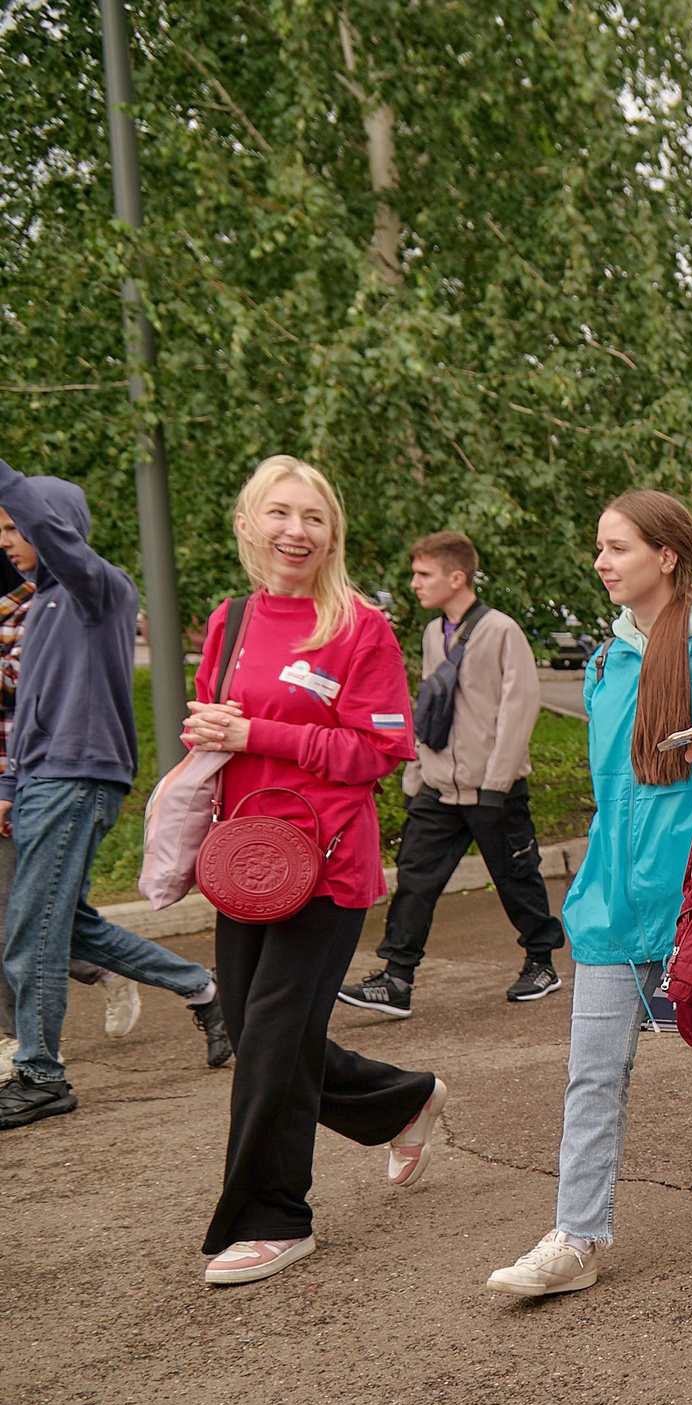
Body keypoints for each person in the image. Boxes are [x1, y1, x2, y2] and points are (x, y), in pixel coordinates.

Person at [185, 457, 446, 1284]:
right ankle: (403, 1100)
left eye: (314, 517)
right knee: (263, 1032)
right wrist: (213, 732)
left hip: (326, 864)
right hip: (246, 862)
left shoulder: (361, 627)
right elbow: (218, 728)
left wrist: (256, 734)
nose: (296, 531)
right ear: (248, 523)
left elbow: (381, 749)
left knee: (269, 1040)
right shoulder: (228, 621)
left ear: (333, 534)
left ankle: (275, 1218)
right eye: (279, 513)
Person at [486, 491, 692, 1298]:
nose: (601, 562)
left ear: (667, 555)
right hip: (609, 910)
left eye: (617, 547)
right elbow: (611, 795)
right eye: (599, 547)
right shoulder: (605, 661)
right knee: (592, 1076)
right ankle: (576, 1237)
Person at [0, 462, 231, 1133]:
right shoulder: (40, 607)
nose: (7, 540)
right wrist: (11, 787)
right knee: (66, 925)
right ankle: (204, 989)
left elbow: (53, 535)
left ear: (53, 527)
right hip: (41, 781)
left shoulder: (99, 588)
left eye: (15, 527)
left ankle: (41, 1075)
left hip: (77, 779)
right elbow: (27, 712)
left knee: (30, 929)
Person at [339, 531, 563, 1018]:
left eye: (424, 574)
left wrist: (497, 783)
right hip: (439, 787)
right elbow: (428, 706)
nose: (415, 584)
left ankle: (541, 962)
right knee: (415, 880)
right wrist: (416, 774)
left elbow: (518, 707)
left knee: (515, 877)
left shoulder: (501, 631)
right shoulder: (431, 633)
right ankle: (397, 979)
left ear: (457, 578)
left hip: (492, 787)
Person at [0, 504, 136, 1054]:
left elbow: (30, 694)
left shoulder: (63, 598)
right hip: (27, 776)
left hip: (42, 775)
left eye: (12, 528)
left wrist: (8, 788)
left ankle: (25, 1052)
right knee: (31, 920)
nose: (5, 540)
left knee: (21, 921)